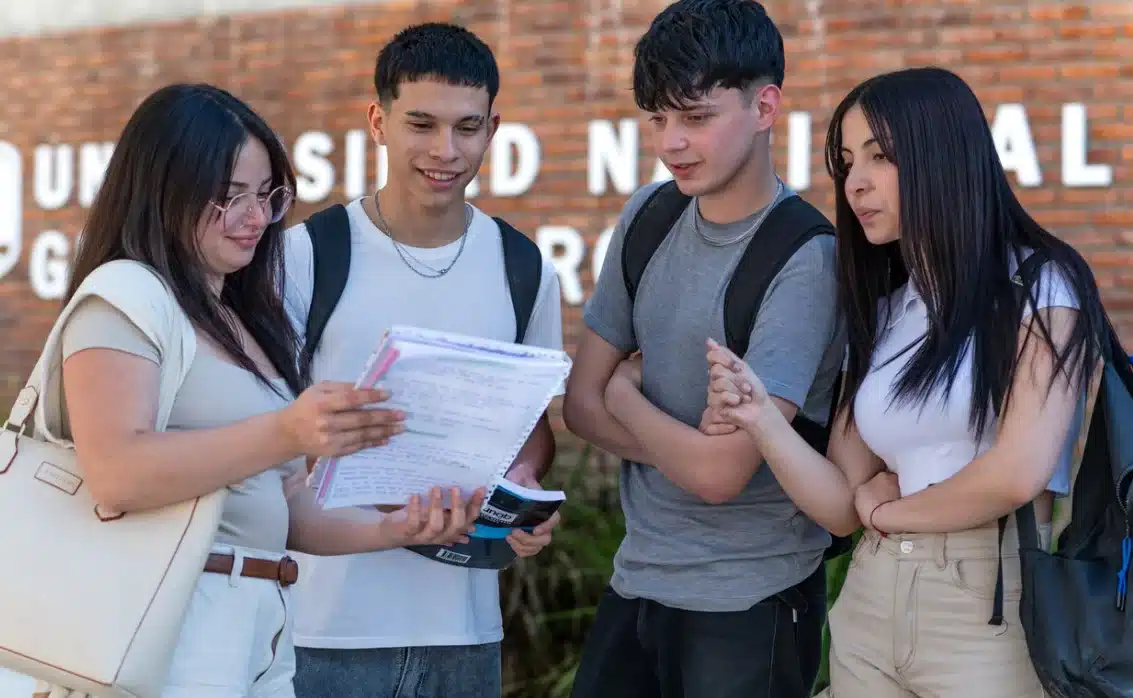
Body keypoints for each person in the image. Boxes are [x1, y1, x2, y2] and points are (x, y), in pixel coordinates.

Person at [33, 82, 481, 698]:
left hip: (255, 630)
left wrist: (399, 529)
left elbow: (282, 503)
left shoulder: (242, 315)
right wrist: (286, 430)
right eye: (228, 198)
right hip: (164, 631)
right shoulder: (126, 295)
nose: (255, 219)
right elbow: (116, 472)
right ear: (163, 192)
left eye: (267, 196)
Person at [704, 66, 1110, 698]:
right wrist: (760, 418)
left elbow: (1016, 473)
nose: (856, 182)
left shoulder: (1040, 284)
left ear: (943, 155)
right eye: (845, 162)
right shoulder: (887, 309)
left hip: (986, 602)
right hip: (871, 597)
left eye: (881, 156)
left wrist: (890, 509)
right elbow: (842, 499)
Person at [562, 1, 846, 696]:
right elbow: (578, 406)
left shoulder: (804, 259)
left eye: (695, 117)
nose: (671, 142)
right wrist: (691, 449)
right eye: (658, 119)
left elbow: (717, 476)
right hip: (637, 581)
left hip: (751, 598)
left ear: (764, 106)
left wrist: (628, 394)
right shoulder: (649, 217)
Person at [282, 23, 565, 698]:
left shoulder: (523, 266)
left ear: (493, 128)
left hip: (464, 631)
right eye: (421, 124)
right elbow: (264, 428)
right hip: (320, 627)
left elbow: (532, 427)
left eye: (467, 128)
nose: (446, 151)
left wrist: (524, 492)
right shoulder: (305, 256)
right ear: (378, 122)